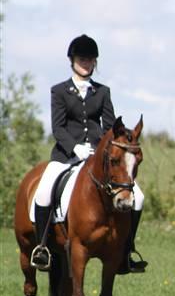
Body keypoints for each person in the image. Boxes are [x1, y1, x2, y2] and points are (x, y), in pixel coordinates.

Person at [30, 34, 147, 275]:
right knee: (42, 192)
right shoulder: (59, 91)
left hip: (97, 158)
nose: (86, 63)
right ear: (72, 61)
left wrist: (106, 147)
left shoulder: (103, 92)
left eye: (90, 60)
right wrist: (75, 147)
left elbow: (109, 128)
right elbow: (58, 128)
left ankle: (127, 250)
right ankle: (42, 248)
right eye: (82, 59)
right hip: (65, 156)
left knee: (140, 197)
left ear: (95, 63)